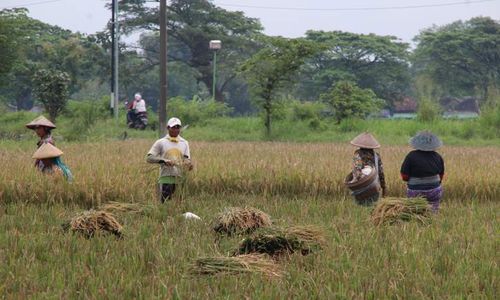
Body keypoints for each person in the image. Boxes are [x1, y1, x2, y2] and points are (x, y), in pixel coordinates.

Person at [146, 117, 193, 202]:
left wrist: (188, 164)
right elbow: (149, 158)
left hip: (180, 178)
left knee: (178, 204)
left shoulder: (184, 143)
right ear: (168, 128)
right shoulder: (161, 142)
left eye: (177, 127)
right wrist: (164, 160)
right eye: (173, 127)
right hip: (165, 177)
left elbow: (187, 159)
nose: (175, 130)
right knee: (164, 203)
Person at [401, 131, 444, 212]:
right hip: (434, 190)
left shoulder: (411, 156)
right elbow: (441, 176)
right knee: (433, 211)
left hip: (415, 191)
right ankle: (433, 219)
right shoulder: (438, 156)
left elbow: (404, 176)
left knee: (414, 211)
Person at [349, 132, 387, 204]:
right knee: (373, 207)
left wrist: (355, 185)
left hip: (362, 188)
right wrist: (384, 187)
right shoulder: (376, 156)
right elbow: (381, 173)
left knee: (361, 210)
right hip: (374, 187)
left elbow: (357, 172)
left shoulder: (357, 154)